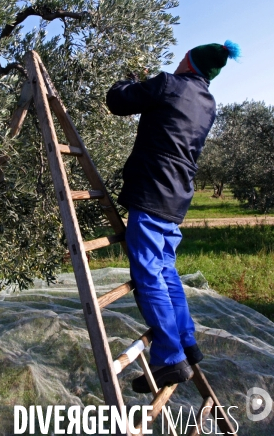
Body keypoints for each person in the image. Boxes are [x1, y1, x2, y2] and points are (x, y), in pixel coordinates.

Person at [106, 41, 241, 393]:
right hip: (176, 197)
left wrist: (128, 81)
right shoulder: (208, 103)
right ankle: (187, 341)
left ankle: (168, 358)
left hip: (152, 192)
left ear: (192, 63)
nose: (179, 59)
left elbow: (117, 102)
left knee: (148, 272)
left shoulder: (169, 83)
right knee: (166, 269)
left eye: (185, 56)